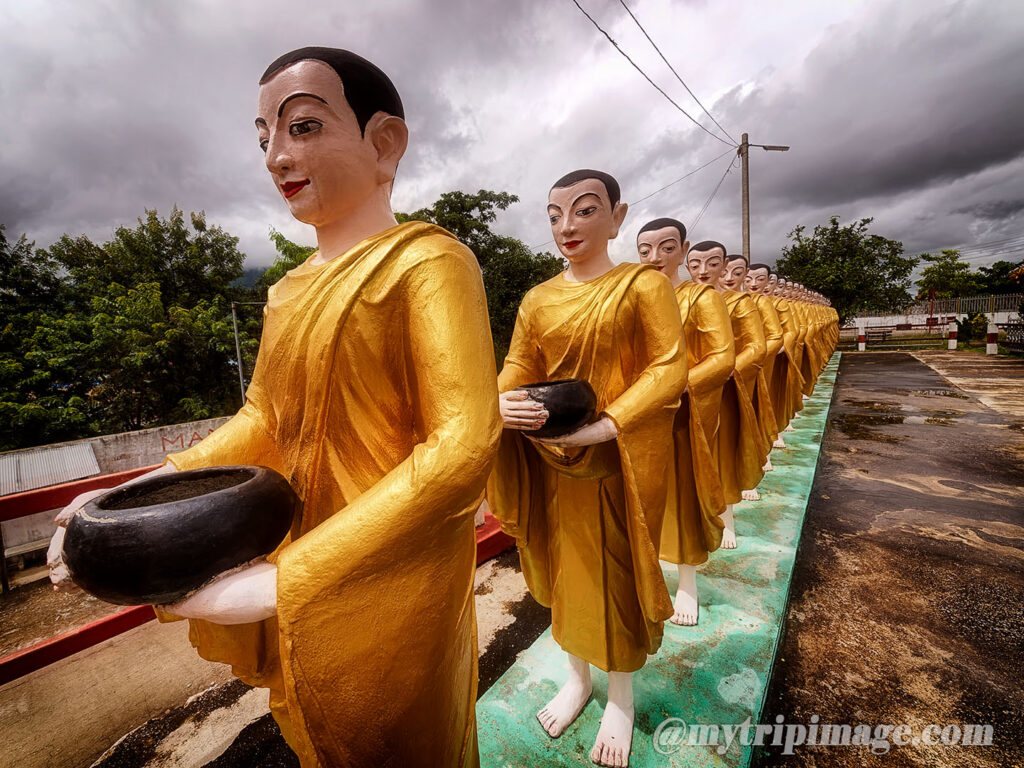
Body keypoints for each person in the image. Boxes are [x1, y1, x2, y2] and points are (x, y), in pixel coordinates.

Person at [51, 46, 501, 767]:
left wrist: (291, 577)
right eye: (263, 137)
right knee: (313, 727)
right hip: (294, 545)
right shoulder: (288, 291)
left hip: (391, 565)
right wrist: (142, 489)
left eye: (302, 127)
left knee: (401, 737)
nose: (275, 157)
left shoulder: (429, 262)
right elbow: (263, 417)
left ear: (383, 142)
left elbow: (464, 440)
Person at [489, 170, 686, 767]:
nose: (566, 226)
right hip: (551, 459)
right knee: (565, 577)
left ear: (617, 218)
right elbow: (520, 364)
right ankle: (577, 678)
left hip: (616, 463)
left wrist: (612, 422)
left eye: (583, 210)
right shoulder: (538, 298)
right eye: (554, 215)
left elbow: (670, 366)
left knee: (618, 582)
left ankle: (620, 697)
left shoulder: (642, 287)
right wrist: (499, 400)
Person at [638, 228, 733, 625]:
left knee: (682, 496)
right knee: (638, 500)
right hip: (638, 414)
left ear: (683, 251)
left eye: (666, 247)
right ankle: (645, 576)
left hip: (682, 413)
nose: (655, 255)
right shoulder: (635, 295)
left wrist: (675, 385)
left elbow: (723, 357)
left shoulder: (701, 298)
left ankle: (687, 583)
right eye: (645, 249)